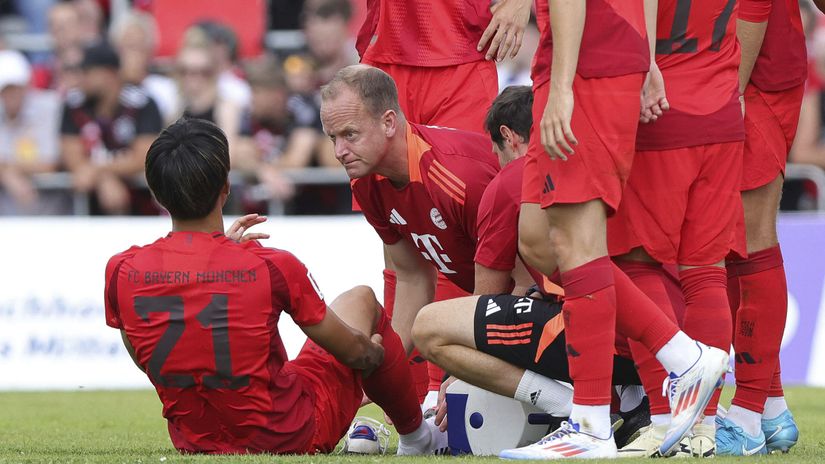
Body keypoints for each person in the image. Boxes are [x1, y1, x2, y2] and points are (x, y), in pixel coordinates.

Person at [104, 117, 446, 455]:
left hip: (196, 440)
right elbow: (353, 352)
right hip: (290, 435)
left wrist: (214, 254)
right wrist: (376, 356)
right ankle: (417, 437)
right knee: (362, 301)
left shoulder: (121, 269)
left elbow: (143, 353)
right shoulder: (268, 264)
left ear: (157, 192)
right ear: (225, 187)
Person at [512, 0, 728, 459]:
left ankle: (590, 423)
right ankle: (683, 357)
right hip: (605, 58)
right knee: (537, 237)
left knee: (577, 243)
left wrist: (564, 87)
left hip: (587, 66)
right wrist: (647, 58)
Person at [320, 64, 500, 354]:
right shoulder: (365, 182)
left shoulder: (457, 175)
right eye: (333, 137)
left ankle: (565, 400)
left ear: (389, 123)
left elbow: (512, 277)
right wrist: (392, 369)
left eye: (350, 134)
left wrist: (472, 363)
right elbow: (413, 276)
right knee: (357, 305)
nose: (339, 151)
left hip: (545, 298)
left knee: (433, 330)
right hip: (500, 305)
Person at [720, 0, 821, 455]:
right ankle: (771, 408)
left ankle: (744, 417)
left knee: (750, 238)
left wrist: (730, 89)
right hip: (731, 67)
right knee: (727, 242)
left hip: (752, 73)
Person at [60, 41, 162, 215]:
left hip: (141, 208)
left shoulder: (142, 102)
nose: (80, 78)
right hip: (88, 207)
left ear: (109, 74)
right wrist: (104, 178)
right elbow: (71, 155)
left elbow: (145, 157)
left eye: (87, 72)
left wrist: (97, 170)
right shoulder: (74, 104)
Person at [0, 50, 64, 214]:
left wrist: (8, 170)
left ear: (27, 85)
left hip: (51, 213)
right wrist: (7, 173)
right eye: (6, 89)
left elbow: (49, 163)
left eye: (16, 88)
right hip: (8, 217)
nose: (11, 95)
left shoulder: (49, 107)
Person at [109, 9, 179, 125]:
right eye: (128, 47)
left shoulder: (165, 89)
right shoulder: (107, 89)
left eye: (139, 47)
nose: (132, 55)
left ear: (150, 51)